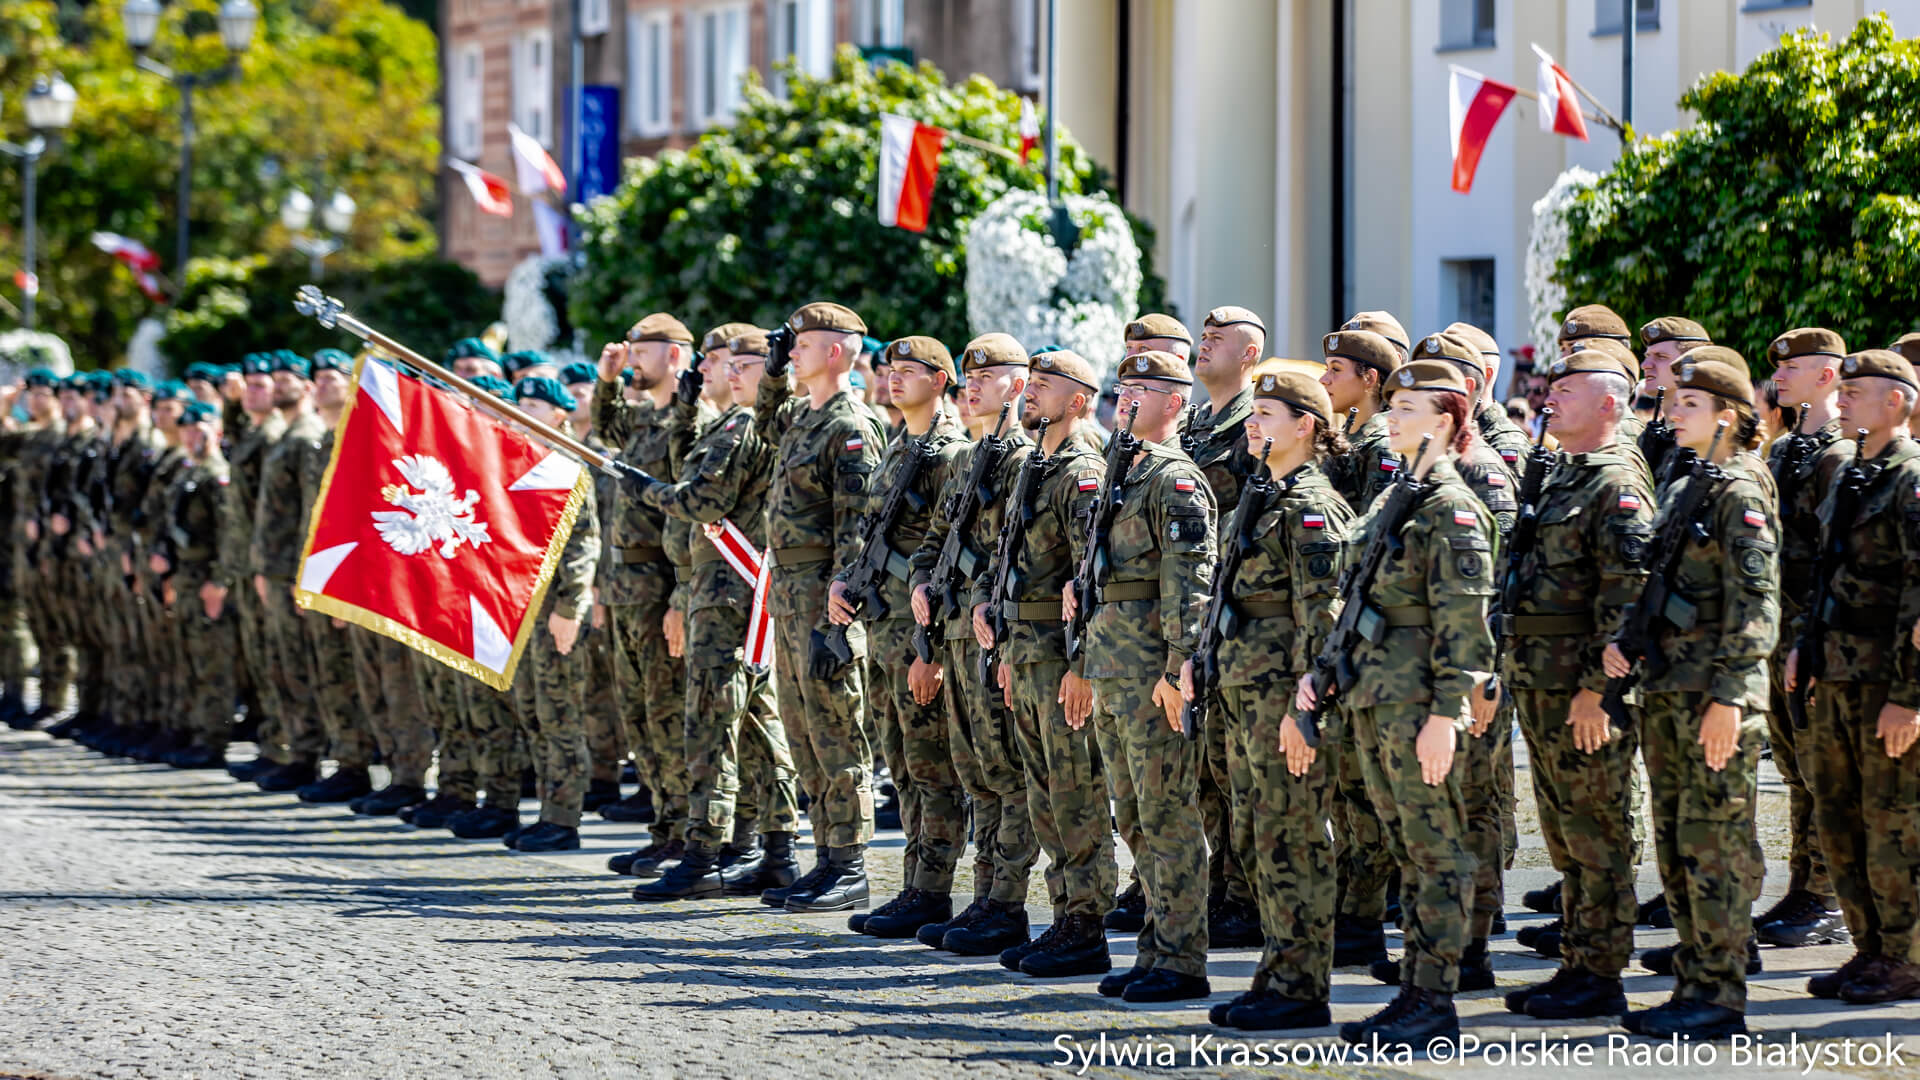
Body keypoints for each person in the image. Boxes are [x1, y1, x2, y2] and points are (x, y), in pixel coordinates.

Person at [1302, 359, 1494, 1049]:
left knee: (1435, 852)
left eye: (1408, 408)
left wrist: (1447, 714)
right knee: (1409, 852)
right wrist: (1324, 674)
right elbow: (1358, 602)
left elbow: (1466, 626)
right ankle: (1414, 988)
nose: (1392, 416)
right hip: (1376, 700)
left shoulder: (1450, 508)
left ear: (1444, 421)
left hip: (1418, 708)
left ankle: (1434, 999)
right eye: (1394, 404)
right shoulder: (1398, 496)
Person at [1602, 348, 1777, 1039]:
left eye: (1690, 405)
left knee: (1714, 846)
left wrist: (1731, 698)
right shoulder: (1689, 482)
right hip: (1670, 690)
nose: (1673, 414)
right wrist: (1625, 640)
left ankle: (1720, 994)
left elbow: (1755, 605)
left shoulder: (1741, 489)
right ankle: (1694, 977)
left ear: (1727, 416)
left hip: (1712, 694)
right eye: (1673, 403)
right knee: (1677, 843)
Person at [1191, 369, 1354, 1030]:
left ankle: (1301, 984)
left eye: (1266, 414)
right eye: (1252, 412)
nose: (1252, 425)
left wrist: (1304, 711)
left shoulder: (1312, 507)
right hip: (1243, 694)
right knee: (1262, 837)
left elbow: (1324, 624)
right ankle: (1277, 971)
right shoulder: (1265, 495)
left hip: (1284, 703)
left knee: (1293, 839)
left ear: (1306, 425)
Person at [1497, 350, 1655, 1021]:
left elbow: (1628, 599)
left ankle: (1599, 971)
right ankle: (1576, 958)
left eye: (1566, 391)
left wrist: (1599, 690)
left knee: (1597, 832)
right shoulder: (1561, 475)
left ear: (1610, 406)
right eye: (1548, 388)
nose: (1548, 398)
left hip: (1581, 689)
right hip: (1540, 680)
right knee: (1565, 832)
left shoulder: (1616, 482)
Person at [1062, 348, 1216, 1004]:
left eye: (1142, 389)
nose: (1124, 399)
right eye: (1122, 387)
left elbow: (1192, 581)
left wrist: (1178, 666)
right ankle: (1155, 945)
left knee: (1168, 816)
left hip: (1152, 672)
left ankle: (1181, 959)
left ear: (1174, 402)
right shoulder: (1124, 470)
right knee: (1136, 818)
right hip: (1113, 667)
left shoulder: (1174, 479)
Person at [630, 326, 803, 899]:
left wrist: (646, 490)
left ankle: (704, 850)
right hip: (725, 586)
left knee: (710, 720)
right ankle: (778, 849)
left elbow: (702, 498)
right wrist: (683, 415)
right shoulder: (731, 422)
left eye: (739, 363)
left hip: (731, 588)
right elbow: (691, 466)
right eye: (723, 364)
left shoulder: (748, 426)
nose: (724, 372)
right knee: (754, 720)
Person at [979, 348, 1119, 978]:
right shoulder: (1035, 464)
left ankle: (1087, 923)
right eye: (1029, 383)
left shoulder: (1082, 472)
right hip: (1025, 650)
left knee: (1075, 794)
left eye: (1044, 386)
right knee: (1044, 795)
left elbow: (1090, 579)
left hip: (1060, 656)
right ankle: (1063, 916)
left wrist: (1081, 665)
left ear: (1079, 401)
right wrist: (1006, 647)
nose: (1030, 393)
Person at [1790, 348, 1920, 1004]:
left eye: (1856, 391)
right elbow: (1828, 569)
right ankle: (1869, 949)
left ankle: (1907, 954)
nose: (1840, 401)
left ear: (1895, 400)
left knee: (1893, 819)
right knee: (1840, 819)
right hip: (1836, 676)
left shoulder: (1909, 477)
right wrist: (1804, 650)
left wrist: (1908, 696)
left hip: (1884, 684)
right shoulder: (1851, 474)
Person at [752, 301, 888, 913]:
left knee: (836, 730)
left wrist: (844, 597)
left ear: (835, 351)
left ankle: (850, 863)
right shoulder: (803, 417)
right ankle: (825, 856)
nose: (792, 350)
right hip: (789, 588)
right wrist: (775, 370)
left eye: (801, 344)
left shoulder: (850, 424)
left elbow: (857, 525)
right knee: (803, 730)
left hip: (825, 594)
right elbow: (764, 424)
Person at [836, 336, 969, 934]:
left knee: (930, 766)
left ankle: (932, 889)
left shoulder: (947, 454)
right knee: (903, 764)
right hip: (884, 626)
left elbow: (945, 559)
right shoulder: (901, 446)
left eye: (911, 371)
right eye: (891, 369)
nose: (894, 378)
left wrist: (931, 648)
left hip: (917, 632)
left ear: (941, 380)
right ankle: (915, 882)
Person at [909, 333, 1037, 955]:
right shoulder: (966, 458)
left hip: (994, 634)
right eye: (968, 375)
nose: (972, 385)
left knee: (1007, 774)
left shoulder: (1022, 460)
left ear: (1017, 386)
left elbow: (1014, 551)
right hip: (955, 628)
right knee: (976, 773)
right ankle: (985, 897)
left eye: (988, 377)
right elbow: (936, 536)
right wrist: (919, 582)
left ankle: (1006, 904)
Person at [1756, 326, 1854, 949]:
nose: (1778, 378)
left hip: (1809, 635)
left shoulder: (1838, 453)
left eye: (1790, 369)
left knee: (1822, 770)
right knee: (1795, 770)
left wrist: (1814, 639)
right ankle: (1802, 888)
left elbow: (1835, 558)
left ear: (1825, 376)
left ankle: (1826, 896)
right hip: (1777, 628)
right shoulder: (1786, 447)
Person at [596, 314, 699, 873]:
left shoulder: (685, 423)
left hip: (662, 581)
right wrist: (607, 380)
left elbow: (690, 518)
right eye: (631, 345)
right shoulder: (639, 419)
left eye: (643, 348)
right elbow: (607, 429)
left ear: (675, 355)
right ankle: (663, 826)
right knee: (639, 715)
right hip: (624, 585)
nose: (633, 354)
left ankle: (687, 831)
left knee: (668, 712)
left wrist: (682, 596)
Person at [1316, 327, 1402, 969]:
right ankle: (1353, 906)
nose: (1325, 378)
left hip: (1361, 632)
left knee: (1360, 788)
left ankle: (1364, 912)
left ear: (1370, 378)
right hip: (1342, 632)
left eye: (1337, 368)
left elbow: (1366, 545)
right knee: (1347, 787)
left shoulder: (1380, 447)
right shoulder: (1354, 439)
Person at [1183, 306, 1266, 948]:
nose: (1204, 341)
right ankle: (1220, 887)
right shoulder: (1192, 424)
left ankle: (1245, 897)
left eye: (1220, 338)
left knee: (1237, 765)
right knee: (1206, 765)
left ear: (1249, 354)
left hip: (1236, 613)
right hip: (1197, 616)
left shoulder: (1255, 423)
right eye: (1202, 335)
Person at [497, 376, 602, 851]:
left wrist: (569, 606)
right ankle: (545, 809)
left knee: (561, 714)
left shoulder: (566, 466)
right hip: (522, 610)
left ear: (560, 414)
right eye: (522, 404)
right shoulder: (518, 463)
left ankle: (564, 819)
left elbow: (584, 545)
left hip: (557, 609)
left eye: (536, 405)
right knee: (535, 713)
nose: (524, 411)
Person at [248, 352, 330, 792]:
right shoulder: (285, 435)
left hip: (292, 570)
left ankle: (306, 754)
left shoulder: (305, 437)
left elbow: (309, 514)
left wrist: (305, 574)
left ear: (306, 387)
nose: (278, 386)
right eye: (273, 380)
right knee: (282, 665)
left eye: (288, 379)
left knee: (301, 667)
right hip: (274, 570)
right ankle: (290, 749)